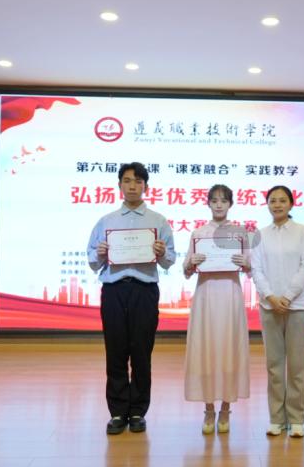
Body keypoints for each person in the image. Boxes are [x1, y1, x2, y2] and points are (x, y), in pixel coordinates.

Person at [87, 162, 176, 435]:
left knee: (141, 352)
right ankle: (117, 412)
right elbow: (92, 261)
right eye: (127, 181)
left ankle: (137, 411)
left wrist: (161, 252)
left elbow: (170, 260)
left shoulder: (158, 221)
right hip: (114, 290)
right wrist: (100, 253)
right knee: (115, 351)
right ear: (119, 185)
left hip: (144, 290)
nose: (132, 186)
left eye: (138, 181)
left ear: (146, 186)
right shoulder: (106, 221)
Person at [182, 184, 251, 434]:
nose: (219, 205)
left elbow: (251, 268)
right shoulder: (198, 233)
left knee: (229, 348)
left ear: (230, 204)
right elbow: (186, 270)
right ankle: (209, 409)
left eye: (223, 200)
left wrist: (246, 263)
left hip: (230, 294)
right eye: (214, 200)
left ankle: (225, 409)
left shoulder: (240, 234)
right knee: (207, 349)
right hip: (206, 294)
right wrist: (192, 262)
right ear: (208, 204)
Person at [250, 185, 304, 438]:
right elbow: (256, 269)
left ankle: (296, 419)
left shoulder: (303, 232)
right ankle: (277, 419)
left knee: (296, 366)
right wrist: (270, 296)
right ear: (267, 204)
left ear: (291, 204)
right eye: (273, 201)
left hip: (298, 306)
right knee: (274, 366)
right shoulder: (260, 234)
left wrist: (286, 297)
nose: (277, 205)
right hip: (269, 307)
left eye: (282, 200)